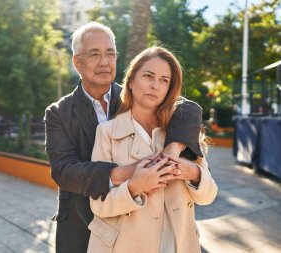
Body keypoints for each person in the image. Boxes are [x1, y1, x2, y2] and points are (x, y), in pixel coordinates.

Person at [44, 22, 204, 253]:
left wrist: (170, 152)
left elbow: (188, 108)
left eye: (110, 53)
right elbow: (64, 171)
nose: (104, 62)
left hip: (133, 222)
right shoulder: (58, 112)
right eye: (94, 54)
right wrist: (135, 171)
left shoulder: (134, 93)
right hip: (81, 221)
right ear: (77, 62)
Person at [87, 46, 218, 253]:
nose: (155, 85)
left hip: (178, 245)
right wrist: (134, 187)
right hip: (125, 246)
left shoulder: (182, 130)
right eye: (148, 76)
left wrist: (191, 172)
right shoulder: (107, 133)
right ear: (131, 81)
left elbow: (208, 196)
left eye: (164, 80)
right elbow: (99, 206)